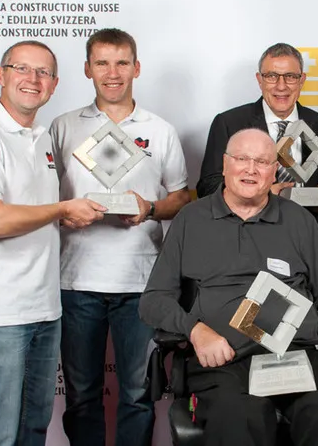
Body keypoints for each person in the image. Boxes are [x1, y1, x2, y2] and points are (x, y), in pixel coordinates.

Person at [140, 128, 318, 446]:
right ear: (225, 164)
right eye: (242, 159)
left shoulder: (299, 220)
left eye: (262, 161)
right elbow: (154, 300)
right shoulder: (191, 219)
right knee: (240, 417)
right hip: (226, 359)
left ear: (274, 170)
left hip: (297, 353)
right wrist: (195, 331)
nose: (251, 169)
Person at [0, 40, 105, 446]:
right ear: (1, 75)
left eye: (44, 73)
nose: (33, 80)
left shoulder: (40, 138)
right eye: (22, 69)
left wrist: (69, 214)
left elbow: (36, 213)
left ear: (54, 85)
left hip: (43, 308)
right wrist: (61, 208)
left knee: (32, 431)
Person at [50, 28, 190, 446]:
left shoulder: (160, 129)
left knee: (136, 396)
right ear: (88, 69)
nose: (113, 73)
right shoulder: (63, 127)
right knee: (81, 398)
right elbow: (43, 198)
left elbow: (182, 197)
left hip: (142, 284)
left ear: (137, 67)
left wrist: (149, 208)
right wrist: (65, 214)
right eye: (103, 63)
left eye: (122, 63)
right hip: (76, 282)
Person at [196, 42, 318, 238]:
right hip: (244, 233)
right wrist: (263, 193)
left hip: (304, 235)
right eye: (271, 76)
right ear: (259, 80)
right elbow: (208, 187)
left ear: (302, 80)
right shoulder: (229, 123)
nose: (281, 86)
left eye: (290, 76)